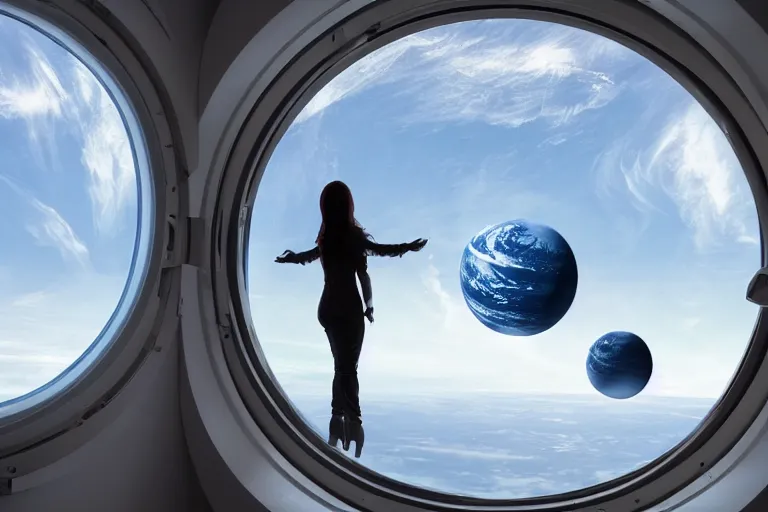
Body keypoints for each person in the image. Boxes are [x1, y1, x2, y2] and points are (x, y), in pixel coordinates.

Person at [275, 180, 427, 458]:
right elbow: (374, 260)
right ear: (348, 206)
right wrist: (369, 306)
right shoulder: (353, 238)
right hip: (348, 311)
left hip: (328, 309)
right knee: (348, 369)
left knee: (340, 367)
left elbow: (308, 257)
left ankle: (337, 425)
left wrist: (292, 258)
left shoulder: (325, 239)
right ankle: (354, 425)